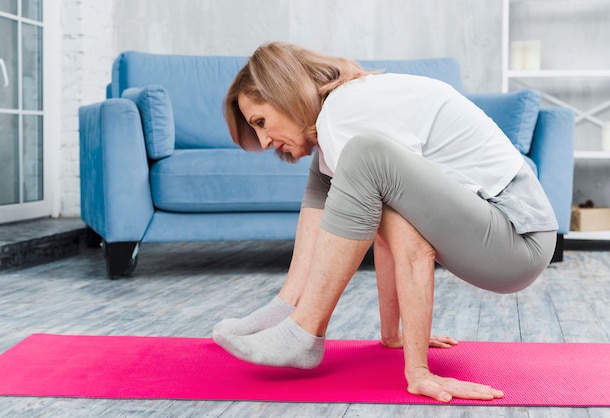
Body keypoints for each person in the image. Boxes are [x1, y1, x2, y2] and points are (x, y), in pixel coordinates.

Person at [213, 42, 557, 403]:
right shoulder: (345, 111)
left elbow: (412, 244)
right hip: (504, 232)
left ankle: (303, 331)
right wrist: (393, 333)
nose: (265, 141)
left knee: (363, 158)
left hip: (517, 237)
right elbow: (387, 227)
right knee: (335, 166)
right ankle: (286, 307)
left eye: (261, 122)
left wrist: (418, 371)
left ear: (286, 93)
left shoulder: (343, 113)